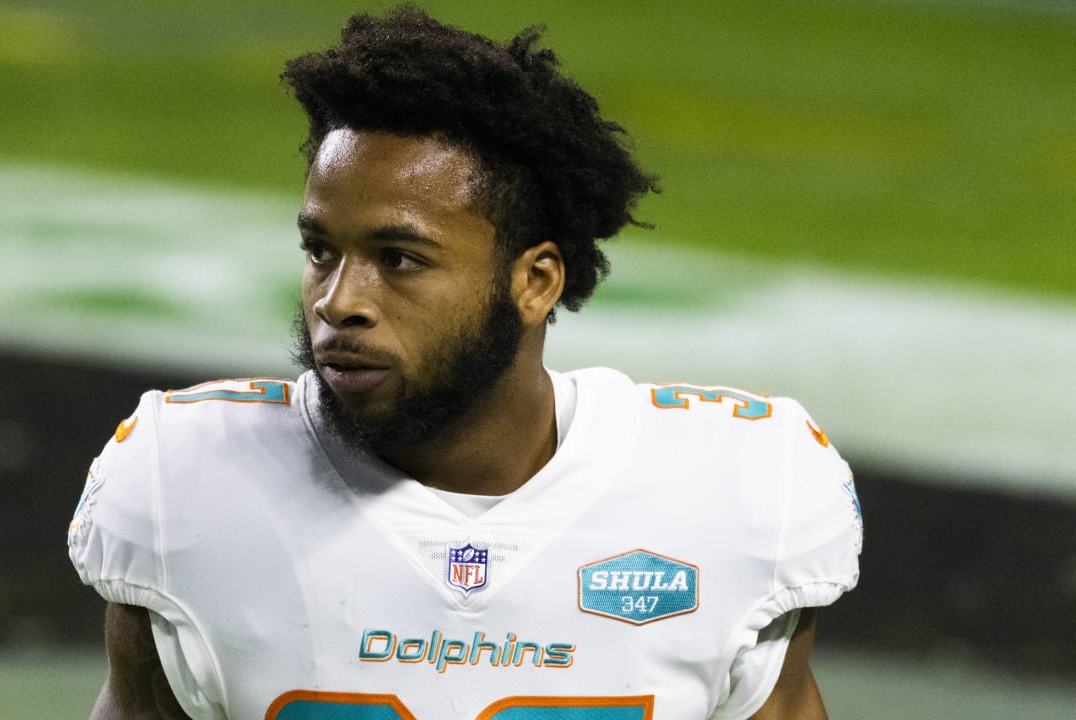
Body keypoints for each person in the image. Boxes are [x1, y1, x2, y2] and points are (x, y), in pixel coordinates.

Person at [68, 7, 862, 719]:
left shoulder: (743, 490)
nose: (338, 301)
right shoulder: (185, 483)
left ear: (534, 281)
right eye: (320, 250)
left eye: (400, 258)